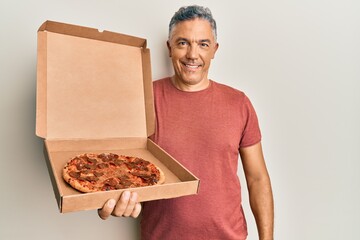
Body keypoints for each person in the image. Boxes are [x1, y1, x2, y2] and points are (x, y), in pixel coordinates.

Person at [98, 5, 274, 240]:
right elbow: (116, 169)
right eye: (183, 43)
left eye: (203, 44)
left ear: (214, 50)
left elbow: (257, 178)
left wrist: (267, 238)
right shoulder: (143, 100)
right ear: (169, 48)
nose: (193, 54)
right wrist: (106, 200)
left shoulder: (238, 103)